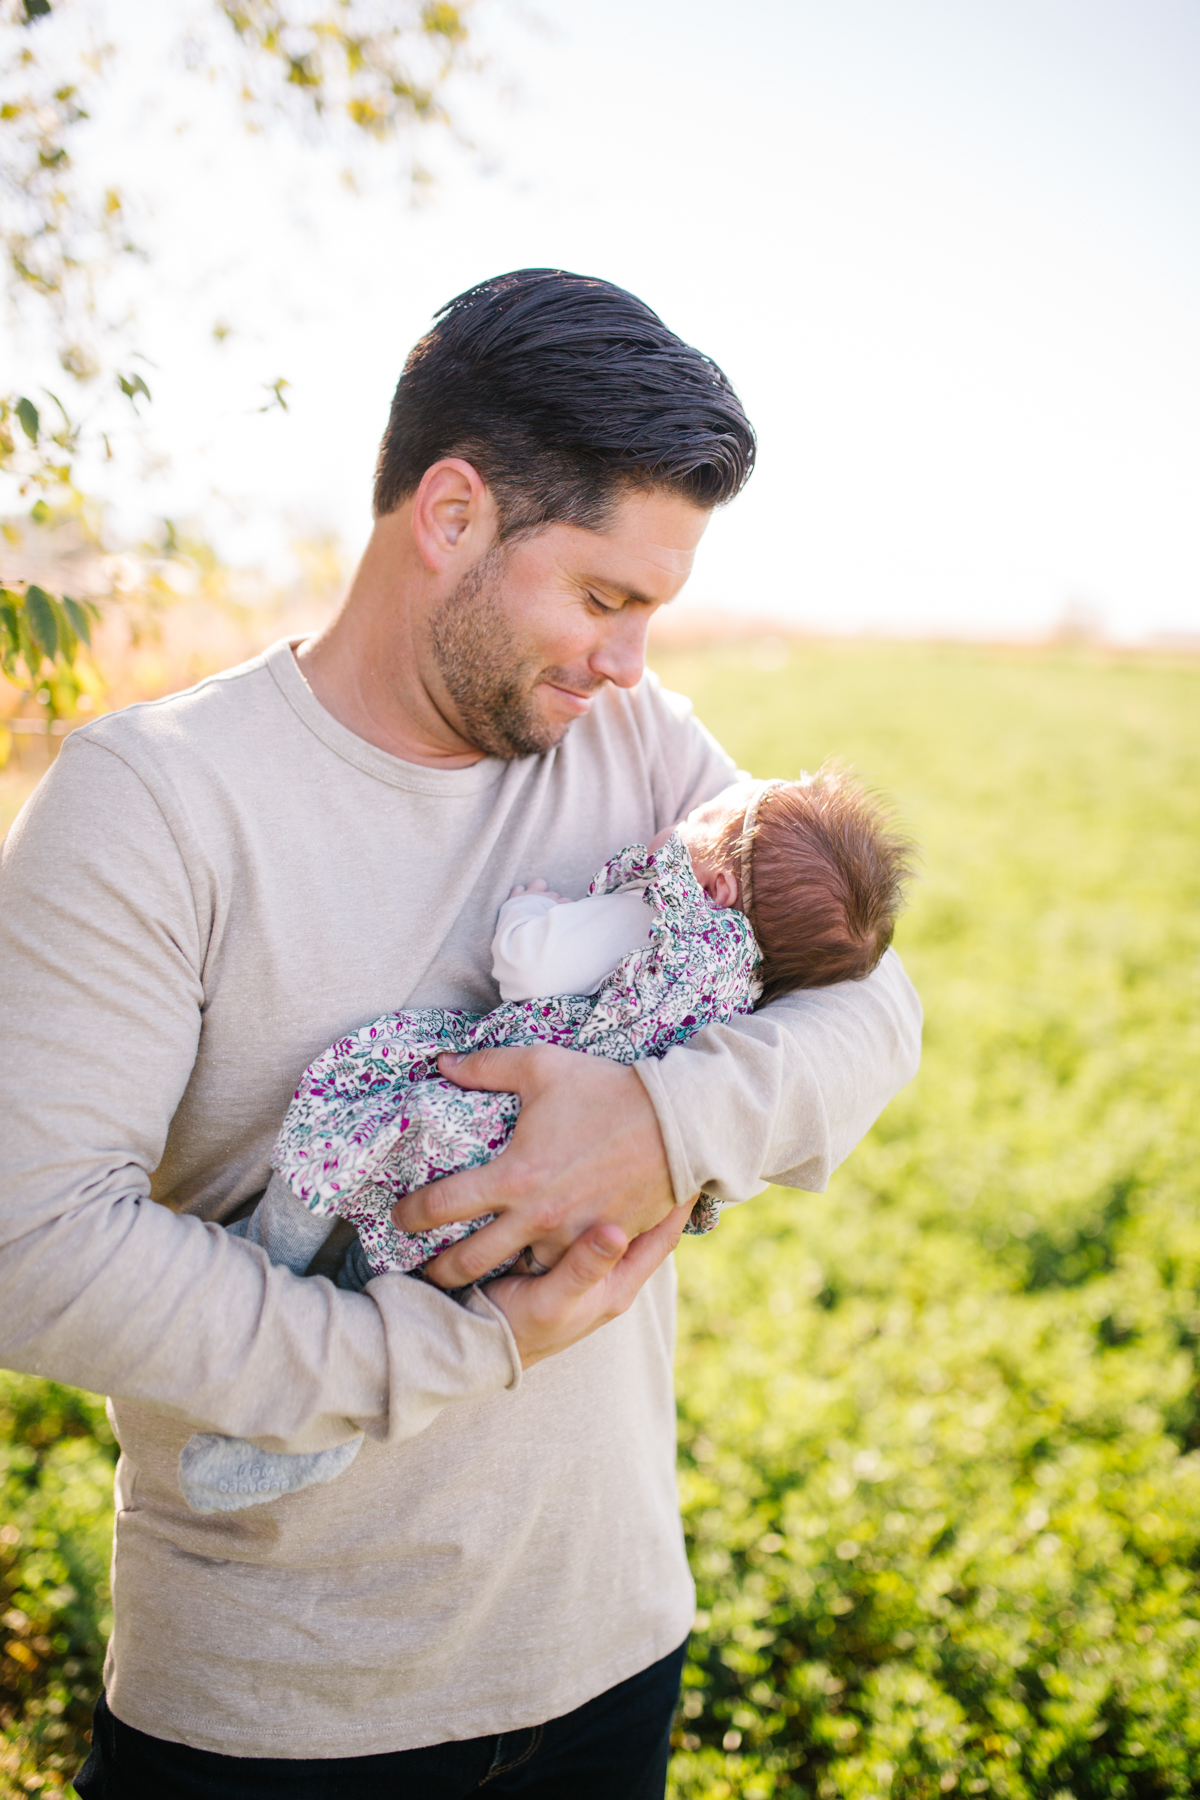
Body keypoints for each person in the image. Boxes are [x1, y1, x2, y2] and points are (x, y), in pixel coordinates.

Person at [0, 268, 922, 1798]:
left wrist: (655, 1130)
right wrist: (437, 1345)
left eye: (652, 612)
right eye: (604, 596)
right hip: (277, 1718)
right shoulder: (151, 801)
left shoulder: (639, 748)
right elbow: (29, 1247)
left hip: (609, 1652)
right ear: (451, 515)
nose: (629, 660)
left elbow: (873, 1007)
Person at [177, 767, 915, 1513]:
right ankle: (319, 1421)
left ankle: (272, 1260)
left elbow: (533, 965)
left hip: (487, 1122)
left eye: (703, 815)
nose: (687, 810)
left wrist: (534, 907)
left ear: (718, 886)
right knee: (391, 1278)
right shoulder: (745, 985)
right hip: (545, 1210)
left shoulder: (659, 920)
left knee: (350, 1133)